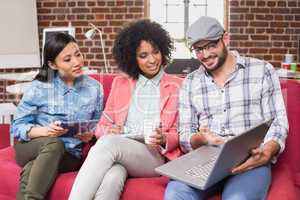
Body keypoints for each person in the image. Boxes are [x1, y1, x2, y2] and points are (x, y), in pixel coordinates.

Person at [164, 16, 289, 200]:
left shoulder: (262, 70)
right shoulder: (191, 82)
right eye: (199, 49)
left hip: (249, 159)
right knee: (175, 193)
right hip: (206, 161)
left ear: (226, 39)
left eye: (211, 46)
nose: (205, 55)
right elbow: (185, 133)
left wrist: (268, 150)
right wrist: (199, 138)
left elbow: (278, 122)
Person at [69, 19, 182, 200]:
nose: (152, 60)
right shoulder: (120, 83)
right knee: (113, 176)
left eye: (155, 52)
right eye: (143, 55)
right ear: (132, 58)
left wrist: (163, 138)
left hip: (154, 155)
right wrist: (109, 129)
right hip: (122, 150)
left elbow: (181, 131)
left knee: (108, 143)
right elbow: (101, 126)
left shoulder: (177, 85)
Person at [11, 32, 103, 200]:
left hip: (69, 155)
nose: (77, 62)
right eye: (67, 59)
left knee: (34, 167)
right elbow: (17, 127)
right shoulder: (39, 87)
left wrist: (91, 135)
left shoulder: (94, 88)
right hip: (30, 146)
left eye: (78, 54)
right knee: (54, 143)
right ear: (52, 64)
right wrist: (46, 131)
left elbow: (98, 124)